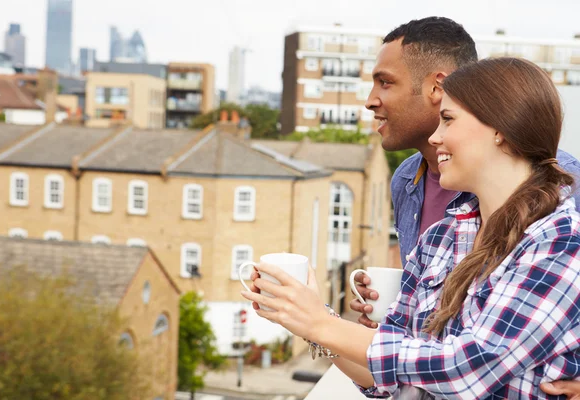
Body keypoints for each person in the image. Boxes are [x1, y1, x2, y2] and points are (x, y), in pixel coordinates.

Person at [241, 57, 580, 399]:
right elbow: (387, 378)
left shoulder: (561, 242)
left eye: (448, 120)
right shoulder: (439, 240)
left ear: (500, 129)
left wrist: (322, 324)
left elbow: (468, 367)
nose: (435, 137)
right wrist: (304, 318)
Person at [349, 17, 580, 397]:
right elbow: (440, 324)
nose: (371, 99)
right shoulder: (410, 184)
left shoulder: (560, 185)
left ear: (437, 86)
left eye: (385, 82)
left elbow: (552, 309)